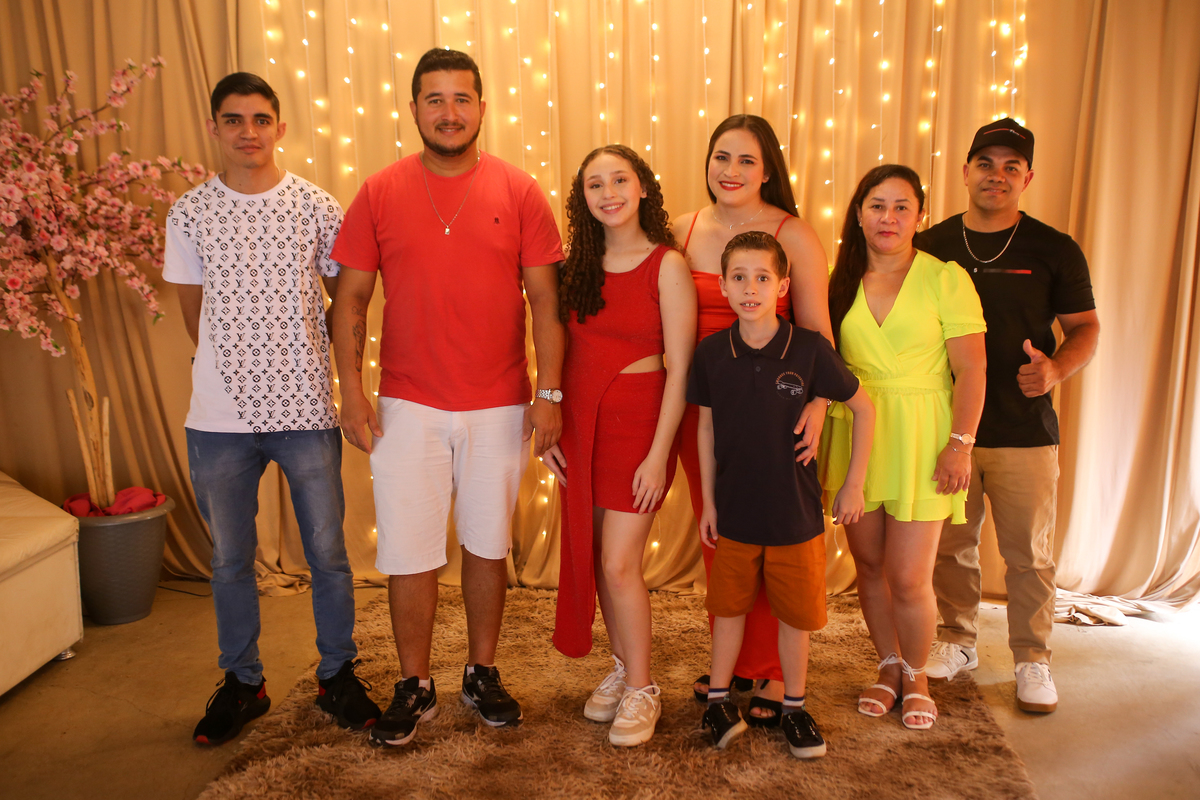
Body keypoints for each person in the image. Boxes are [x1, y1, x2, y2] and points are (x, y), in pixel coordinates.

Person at [329, 48, 565, 748]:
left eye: (462, 98)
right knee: (409, 550)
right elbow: (350, 299)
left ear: (482, 108)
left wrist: (549, 393)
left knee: (488, 544)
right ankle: (415, 683)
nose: (449, 112)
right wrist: (352, 391)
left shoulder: (519, 191)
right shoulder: (379, 191)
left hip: (500, 402)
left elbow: (546, 302)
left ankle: (481, 672)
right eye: (435, 99)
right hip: (407, 403)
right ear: (413, 110)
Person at [164, 72, 379, 745]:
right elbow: (194, 312)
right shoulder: (189, 213)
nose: (248, 132)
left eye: (260, 119)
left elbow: (347, 304)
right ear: (215, 128)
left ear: (279, 127)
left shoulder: (316, 206)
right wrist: (234, 366)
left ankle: (337, 675)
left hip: (308, 410)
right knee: (231, 560)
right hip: (218, 421)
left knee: (328, 553)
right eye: (233, 120)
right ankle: (243, 684)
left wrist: (343, 384)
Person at [915, 118, 1099, 714]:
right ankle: (957, 639)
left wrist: (1055, 370)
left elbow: (1085, 328)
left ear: (1027, 178)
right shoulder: (930, 245)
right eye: (986, 164)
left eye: (1010, 167)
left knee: (1029, 556)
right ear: (965, 171)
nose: (997, 176)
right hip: (947, 430)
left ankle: (1032, 659)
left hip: (1025, 430)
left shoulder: (1054, 248)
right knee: (950, 546)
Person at [670, 115, 834, 725]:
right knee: (724, 539)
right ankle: (738, 659)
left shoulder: (795, 234)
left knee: (775, 539)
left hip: (776, 410)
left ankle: (772, 671)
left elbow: (816, 330)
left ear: (768, 171)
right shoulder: (682, 229)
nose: (731, 171)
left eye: (746, 160)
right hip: (707, 407)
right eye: (722, 157)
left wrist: (818, 405)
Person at [689, 231, 873, 756]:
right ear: (723, 286)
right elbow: (705, 428)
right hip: (734, 515)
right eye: (739, 278)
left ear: (783, 286)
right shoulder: (711, 353)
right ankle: (718, 702)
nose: (750, 289)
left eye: (762, 278)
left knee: (795, 618)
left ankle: (795, 706)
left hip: (796, 516)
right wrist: (709, 503)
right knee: (728, 611)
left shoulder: (809, 349)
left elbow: (864, 409)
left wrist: (853, 484)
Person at [821, 164, 987, 731]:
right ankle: (888, 665)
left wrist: (960, 445)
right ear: (858, 213)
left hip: (923, 435)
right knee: (869, 565)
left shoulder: (946, 278)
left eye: (900, 207)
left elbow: (972, 369)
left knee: (910, 575)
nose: (887, 218)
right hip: (856, 434)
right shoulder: (838, 281)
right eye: (876, 205)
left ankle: (917, 674)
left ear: (920, 215)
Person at [540, 145, 695, 746]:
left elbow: (680, 370)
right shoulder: (575, 265)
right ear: (583, 198)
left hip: (639, 431)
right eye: (595, 184)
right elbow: (559, 349)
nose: (609, 193)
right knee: (598, 557)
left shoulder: (667, 264)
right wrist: (552, 427)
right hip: (583, 428)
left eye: (620, 180)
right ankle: (625, 664)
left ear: (643, 188)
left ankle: (643, 687)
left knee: (619, 562)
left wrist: (659, 455)